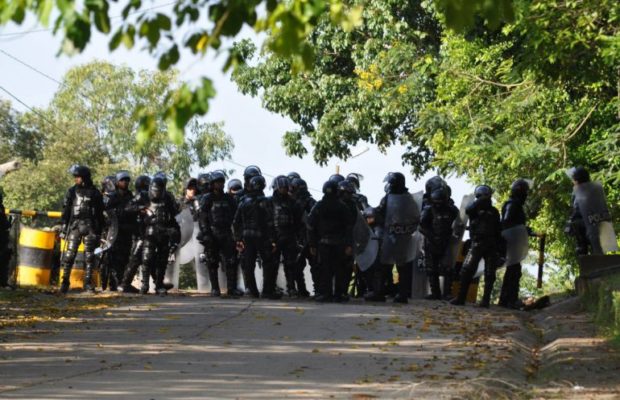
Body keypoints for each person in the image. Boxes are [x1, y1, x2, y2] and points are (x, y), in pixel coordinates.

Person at [451, 185, 502, 307]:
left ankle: (485, 300)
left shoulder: (494, 211)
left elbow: (498, 230)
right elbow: (468, 210)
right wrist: (480, 201)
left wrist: (499, 248)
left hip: (490, 244)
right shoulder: (474, 209)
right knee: (466, 270)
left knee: (490, 272)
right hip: (477, 243)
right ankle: (461, 297)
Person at [233, 175, 281, 299]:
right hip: (262, 236)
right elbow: (270, 221)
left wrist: (238, 239)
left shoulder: (243, 201)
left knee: (248, 264)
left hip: (247, 237)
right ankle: (267, 291)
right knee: (268, 262)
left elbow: (236, 222)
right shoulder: (266, 201)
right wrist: (273, 240)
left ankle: (252, 291)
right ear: (263, 186)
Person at [374, 172, 420, 304]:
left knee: (397, 267)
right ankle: (384, 292)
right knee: (387, 265)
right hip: (394, 235)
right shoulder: (406, 198)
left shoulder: (403, 199)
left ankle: (397, 293)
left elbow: (415, 218)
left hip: (399, 236)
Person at [59, 165, 104, 294]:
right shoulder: (72, 191)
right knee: (69, 255)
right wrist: (63, 226)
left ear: (84, 178)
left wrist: (100, 231)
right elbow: (66, 210)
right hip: (75, 225)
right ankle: (65, 282)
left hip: (90, 226)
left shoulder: (95, 193)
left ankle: (88, 283)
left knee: (90, 257)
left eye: (78, 177)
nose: (76, 179)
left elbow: (100, 213)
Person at [307, 180, 354, 302]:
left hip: (325, 243)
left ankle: (326, 294)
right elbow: (349, 226)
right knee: (339, 269)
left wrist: (312, 243)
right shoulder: (342, 206)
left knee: (325, 269)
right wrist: (349, 244)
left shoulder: (319, 205)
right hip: (339, 243)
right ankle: (338, 294)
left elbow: (310, 225)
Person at [198, 170, 243, 297]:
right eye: (217, 182)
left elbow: (236, 217)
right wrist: (206, 233)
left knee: (231, 261)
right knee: (212, 261)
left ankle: (231, 288)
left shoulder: (229, 198)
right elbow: (202, 217)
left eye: (221, 182)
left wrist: (237, 235)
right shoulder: (207, 198)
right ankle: (215, 288)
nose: (220, 184)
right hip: (212, 233)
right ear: (212, 184)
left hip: (227, 233)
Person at [139, 177, 180, 295]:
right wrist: (141, 209)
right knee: (146, 258)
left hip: (164, 232)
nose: (156, 193)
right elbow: (129, 208)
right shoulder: (144, 196)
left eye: (159, 190)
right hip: (149, 232)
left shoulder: (168, 199)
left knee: (162, 260)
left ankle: (159, 285)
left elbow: (174, 217)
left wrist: (175, 234)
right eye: (155, 190)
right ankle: (145, 284)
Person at [566, 167, 617, 256]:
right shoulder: (596, 188)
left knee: (574, 224)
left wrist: (570, 221)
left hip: (590, 223)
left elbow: (578, 210)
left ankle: (582, 249)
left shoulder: (581, 191)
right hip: (599, 222)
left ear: (577, 180)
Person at [419, 187, 459, 300]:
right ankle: (435, 293)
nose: (438, 205)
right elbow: (421, 226)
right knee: (432, 269)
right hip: (431, 242)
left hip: (447, 242)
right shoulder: (428, 210)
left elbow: (459, 223)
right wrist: (432, 237)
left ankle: (447, 293)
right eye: (436, 202)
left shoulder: (451, 210)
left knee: (448, 268)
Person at [270, 175, 304, 297]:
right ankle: (271, 287)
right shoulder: (270, 201)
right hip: (275, 236)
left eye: (285, 187)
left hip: (289, 236)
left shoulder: (292, 202)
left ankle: (291, 287)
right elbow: (266, 219)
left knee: (290, 263)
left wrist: (297, 237)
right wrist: (270, 238)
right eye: (282, 187)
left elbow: (298, 220)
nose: (284, 189)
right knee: (273, 263)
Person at [103, 171, 135, 291]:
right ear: (117, 182)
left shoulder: (131, 197)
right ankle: (114, 283)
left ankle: (122, 283)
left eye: (127, 180)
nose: (125, 182)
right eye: (122, 180)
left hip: (127, 231)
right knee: (113, 258)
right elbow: (107, 213)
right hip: (114, 231)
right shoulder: (113, 197)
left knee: (125, 257)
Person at [290, 178, 315, 297]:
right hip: (302, 238)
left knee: (312, 266)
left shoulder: (308, 203)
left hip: (306, 238)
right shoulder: (295, 202)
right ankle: (303, 290)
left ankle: (308, 289)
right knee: (298, 266)